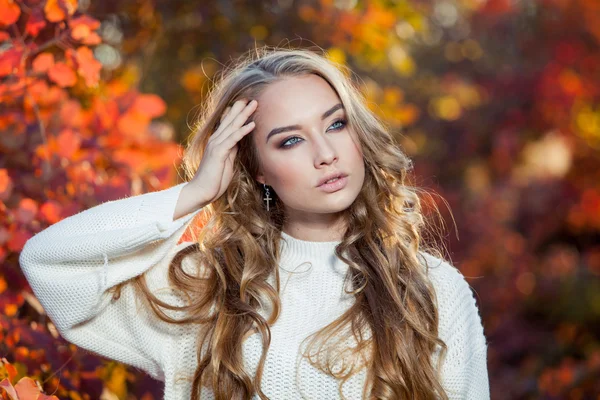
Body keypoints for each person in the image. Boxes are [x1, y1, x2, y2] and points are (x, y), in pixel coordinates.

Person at [19, 46, 490, 400]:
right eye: (289, 141)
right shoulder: (205, 287)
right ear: (256, 169)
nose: (326, 155)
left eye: (335, 124)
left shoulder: (432, 289)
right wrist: (195, 193)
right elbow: (48, 264)